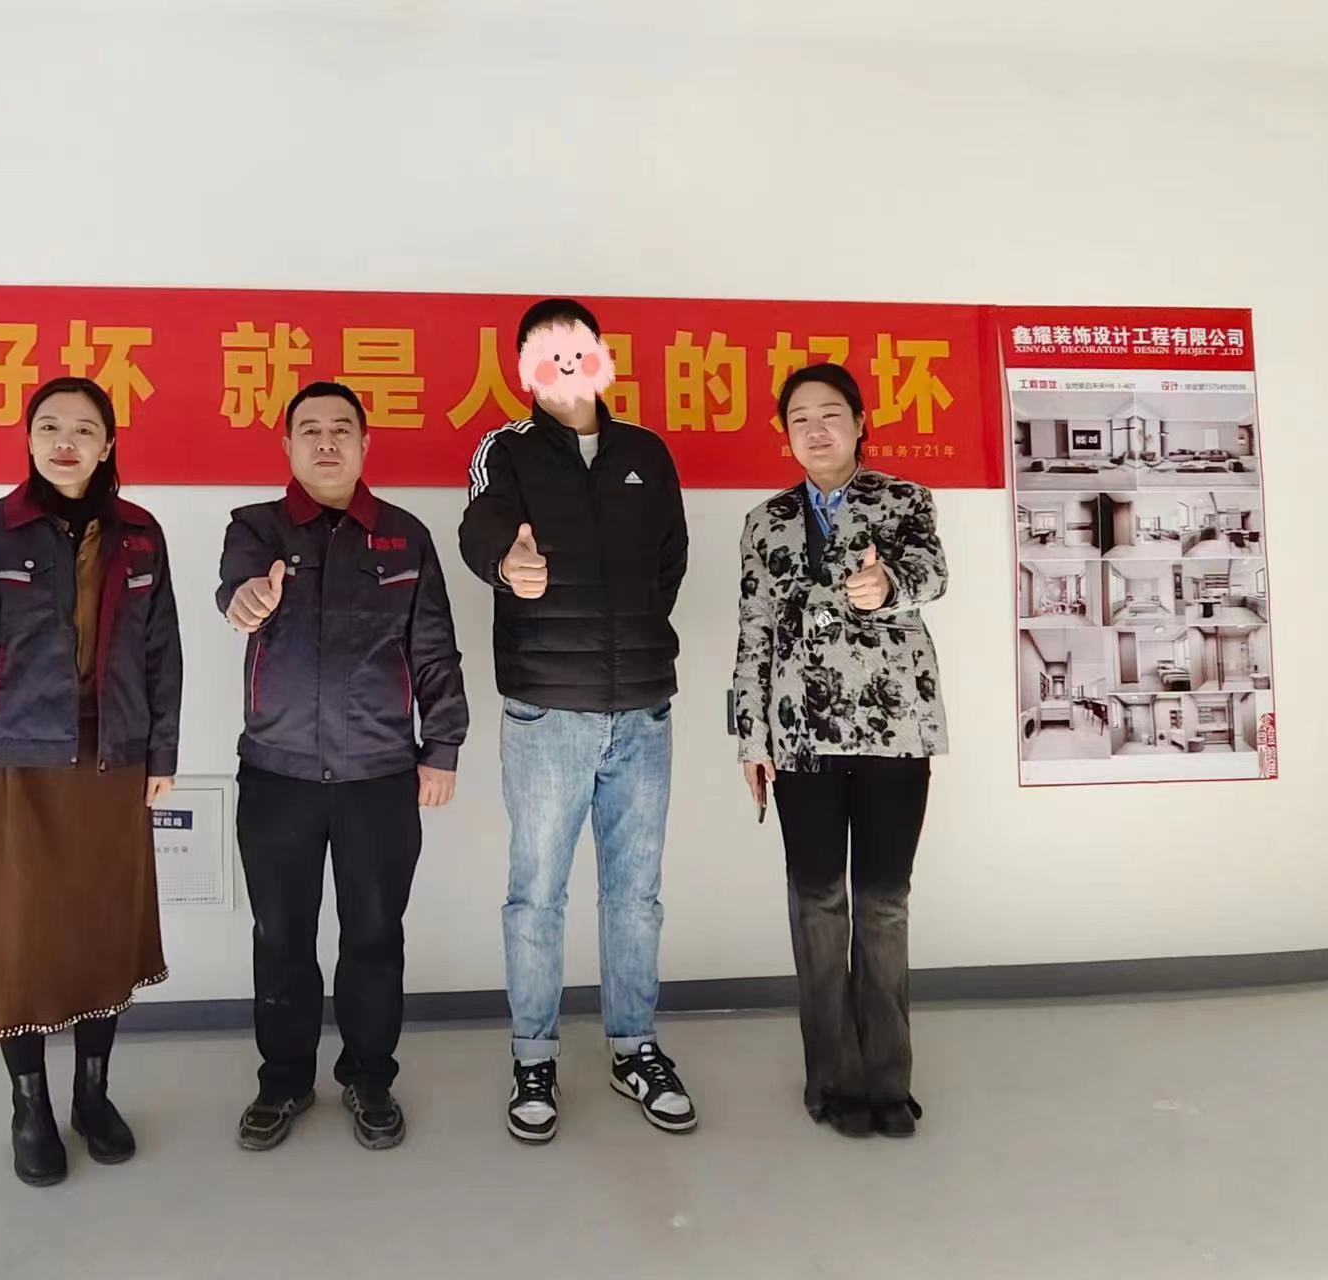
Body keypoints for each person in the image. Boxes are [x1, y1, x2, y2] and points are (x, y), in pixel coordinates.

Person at [0, 376, 182, 1186]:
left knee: (102, 930)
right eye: (50, 426)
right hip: (20, 761)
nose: (66, 441)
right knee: (19, 940)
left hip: (113, 757)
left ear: (108, 445)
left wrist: (162, 756)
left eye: (84, 428)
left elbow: (162, 652)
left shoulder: (141, 534)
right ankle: (30, 1106)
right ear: (28, 440)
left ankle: (93, 1095)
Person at [458, 298, 693, 1144]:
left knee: (636, 895)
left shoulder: (645, 454)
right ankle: (534, 1056)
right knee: (536, 895)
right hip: (546, 712)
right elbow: (481, 527)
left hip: (642, 709)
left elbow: (670, 560)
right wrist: (507, 564)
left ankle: (634, 1046)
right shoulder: (507, 451)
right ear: (524, 368)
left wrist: (631, 641)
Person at [218, 381, 468, 1152]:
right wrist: (249, 600)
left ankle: (369, 1078)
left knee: (374, 937)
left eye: (340, 429)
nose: (326, 442)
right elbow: (236, 592)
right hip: (278, 775)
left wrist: (443, 747)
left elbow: (433, 648)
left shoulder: (404, 537)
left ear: (364, 443)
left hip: (379, 776)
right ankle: (284, 1081)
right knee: (281, 937)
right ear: (287, 445)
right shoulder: (255, 528)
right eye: (310, 430)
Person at [733, 362, 949, 1139]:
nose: (816, 430)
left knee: (883, 906)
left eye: (831, 414)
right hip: (800, 738)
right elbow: (754, 633)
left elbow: (933, 573)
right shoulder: (765, 521)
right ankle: (833, 1081)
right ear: (785, 435)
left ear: (861, 423)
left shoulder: (904, 499)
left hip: (894, 731)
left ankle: (888, 1081)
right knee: (819, 906)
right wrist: (751, 737)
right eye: (800, 419)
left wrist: (887, 586)